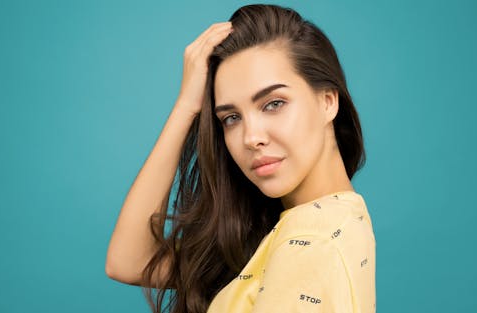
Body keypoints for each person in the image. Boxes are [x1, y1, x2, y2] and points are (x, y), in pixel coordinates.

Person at [105, 3, 376, 313]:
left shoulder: (314, 237)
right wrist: (186, 107)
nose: (251, 137)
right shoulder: (301, 225)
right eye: (231, 117)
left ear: (327, 102)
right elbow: (127, 261)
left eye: (274, 103)